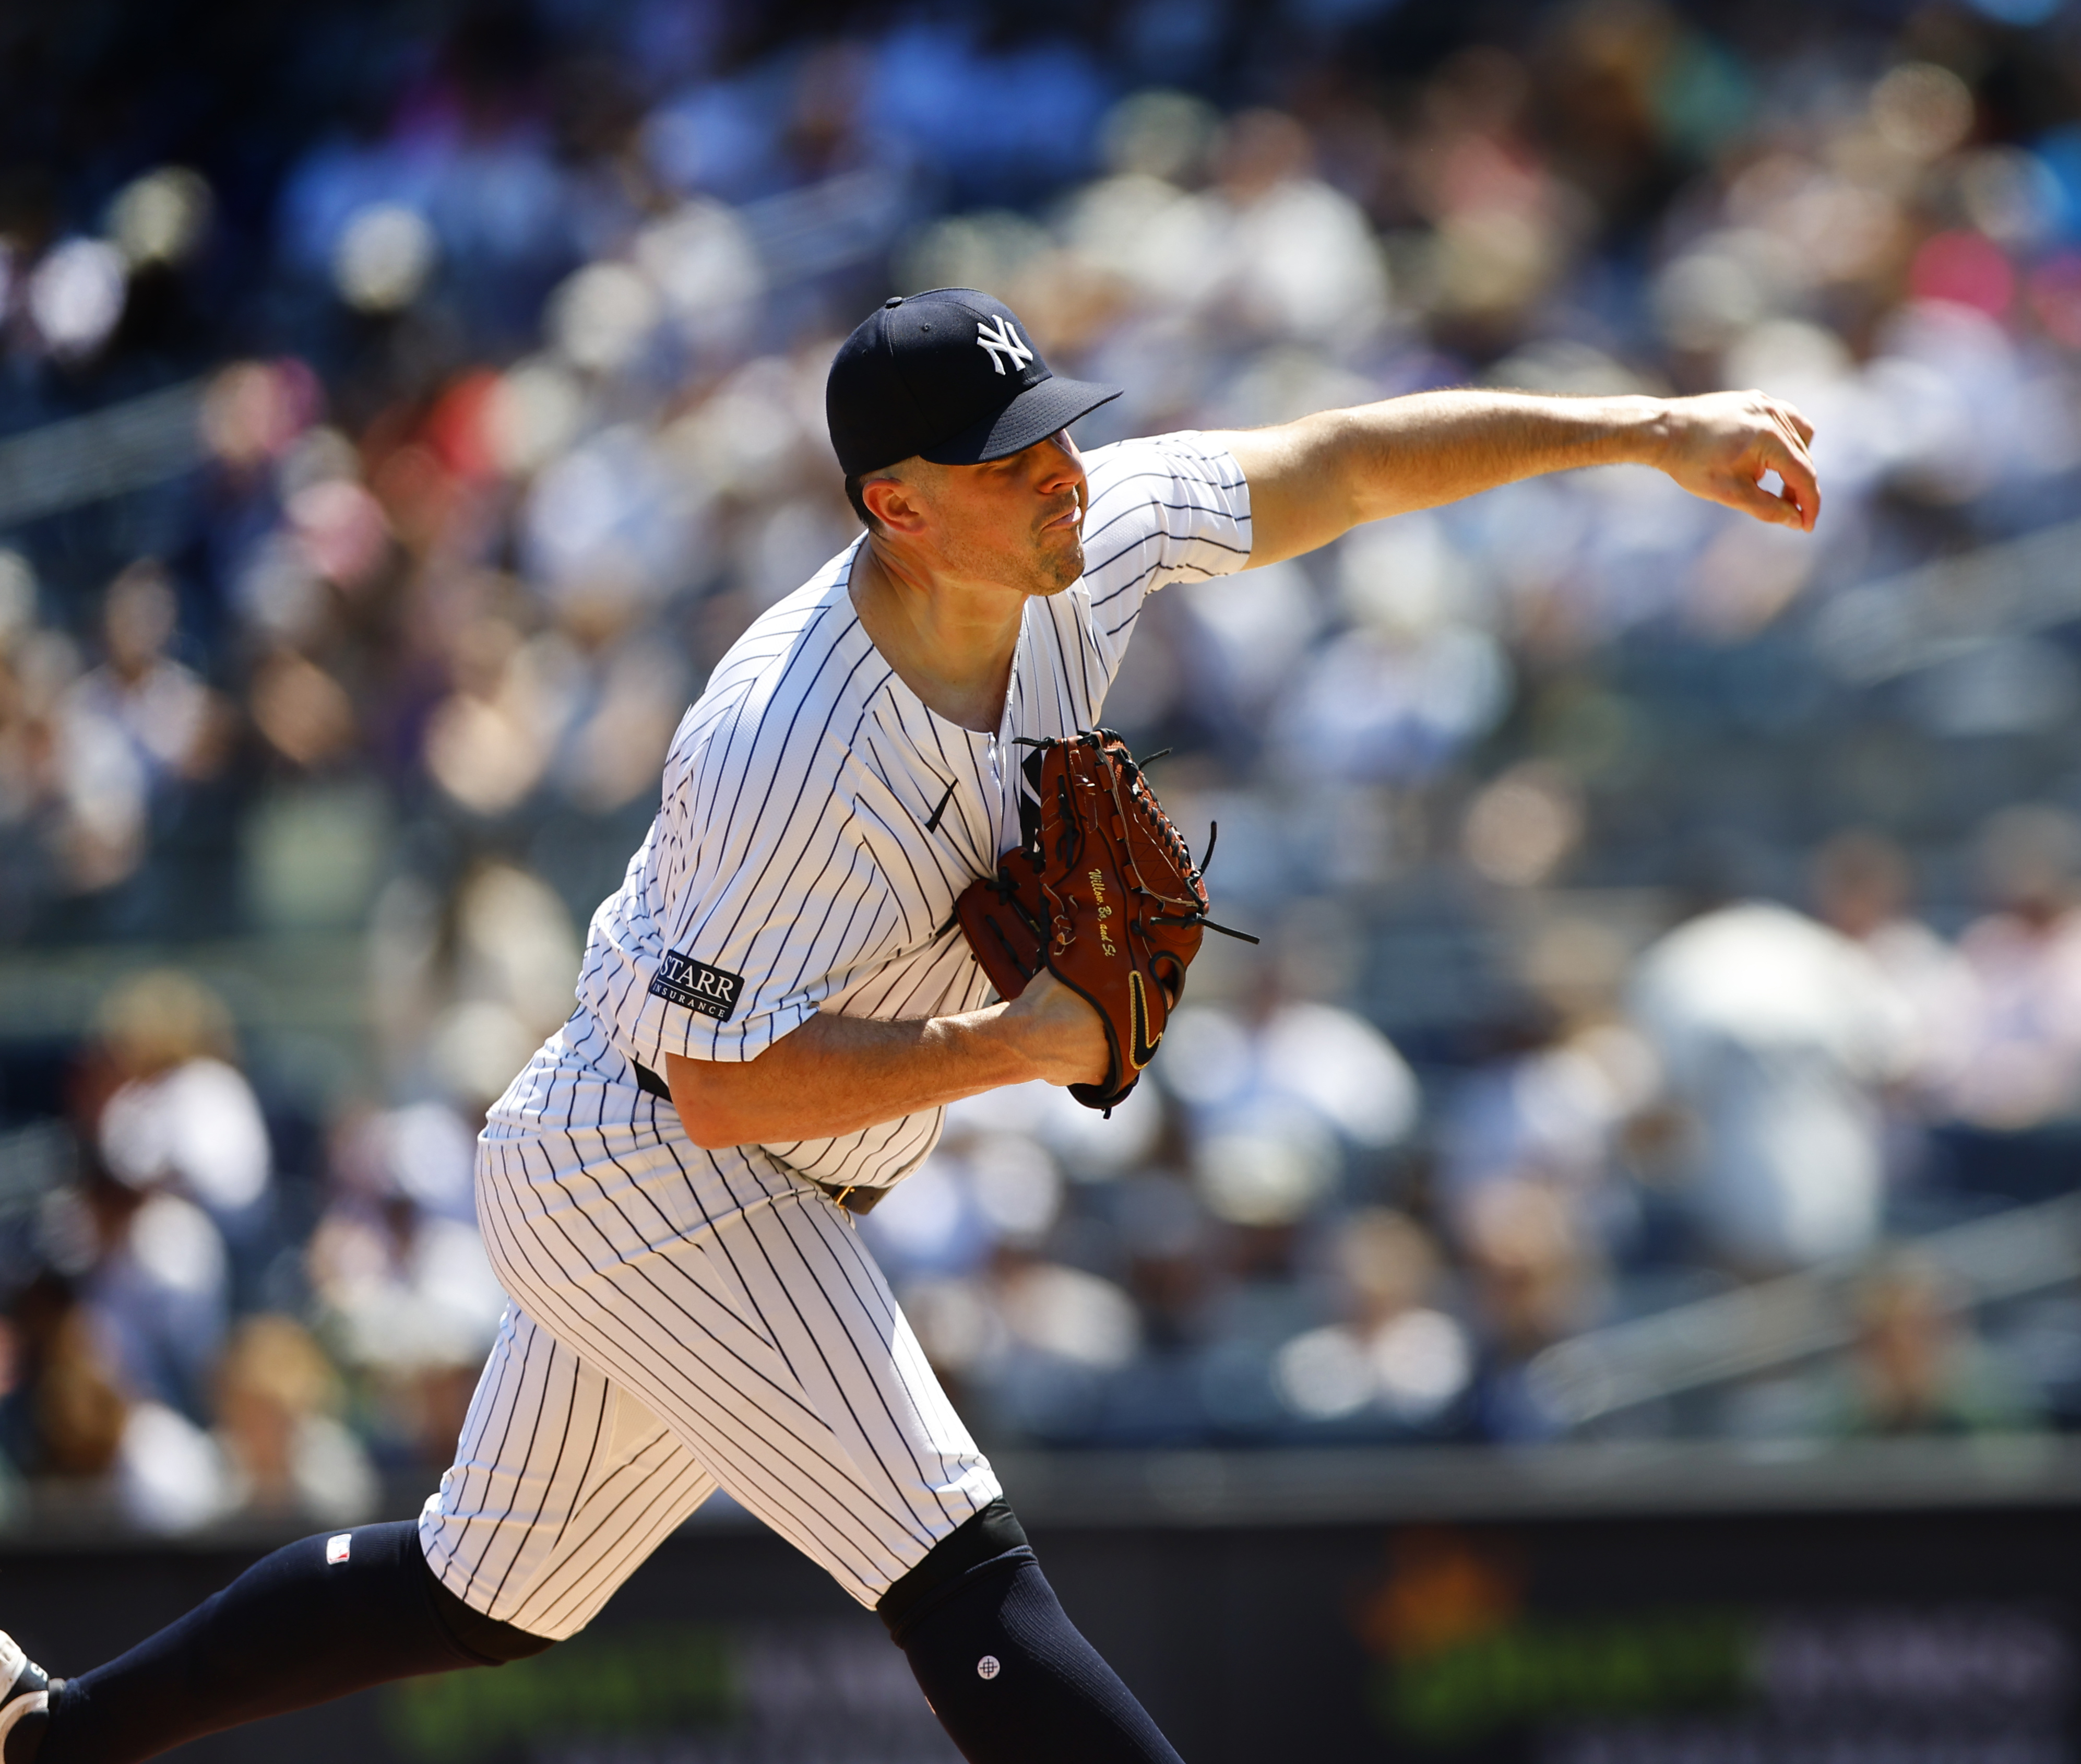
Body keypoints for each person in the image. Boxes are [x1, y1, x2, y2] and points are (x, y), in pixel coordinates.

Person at [0, 285, 1817, 1763]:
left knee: (495, 1592)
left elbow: (1329, 463)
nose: (1069, 476)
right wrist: (1026, 1046)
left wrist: (1648, 434)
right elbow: (715, 1089)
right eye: (1019, 458)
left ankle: (50, 1743)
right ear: (899, 503)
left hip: (733, 1165)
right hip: (659, 1165)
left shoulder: (1063, 550)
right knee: (961, 1572)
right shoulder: (786, 745)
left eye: (1062, 434)